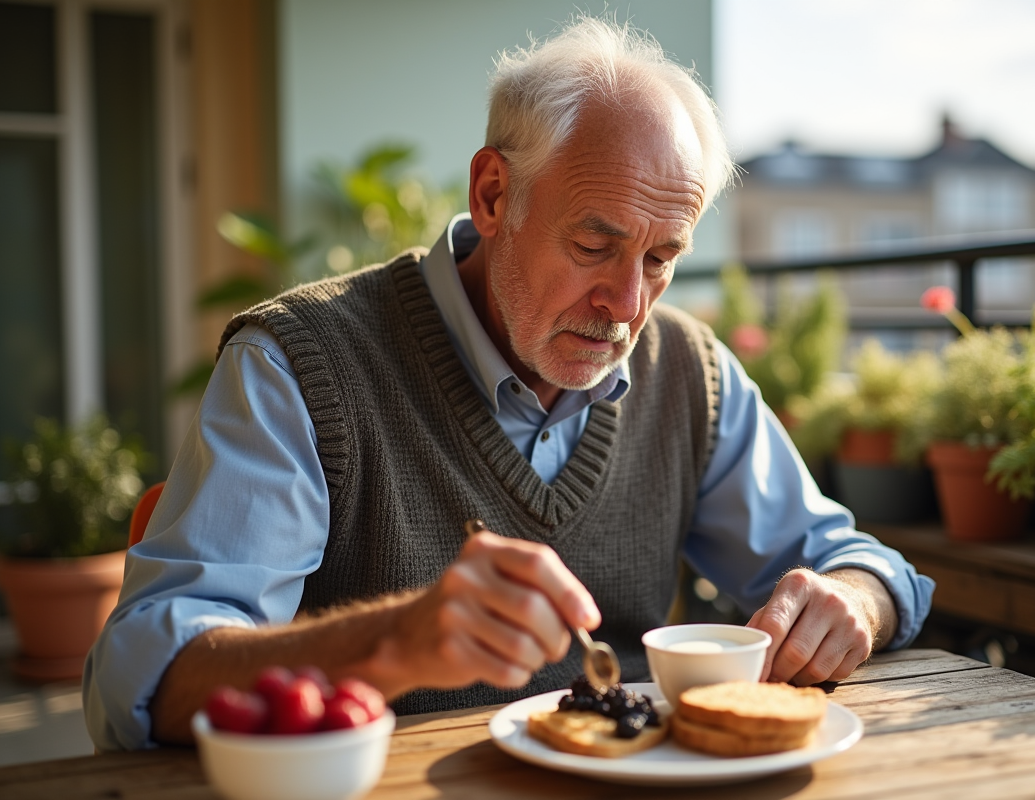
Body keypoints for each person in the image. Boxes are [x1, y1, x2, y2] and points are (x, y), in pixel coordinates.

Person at [84, 17, 933, 751]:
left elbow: (859, 566)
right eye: (594, 245)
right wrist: (396, 640)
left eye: (663, 258)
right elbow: (141, 681)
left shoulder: (689, 372)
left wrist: (853, 599)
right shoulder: (301, 366)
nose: (627, 304)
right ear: (494, 193)